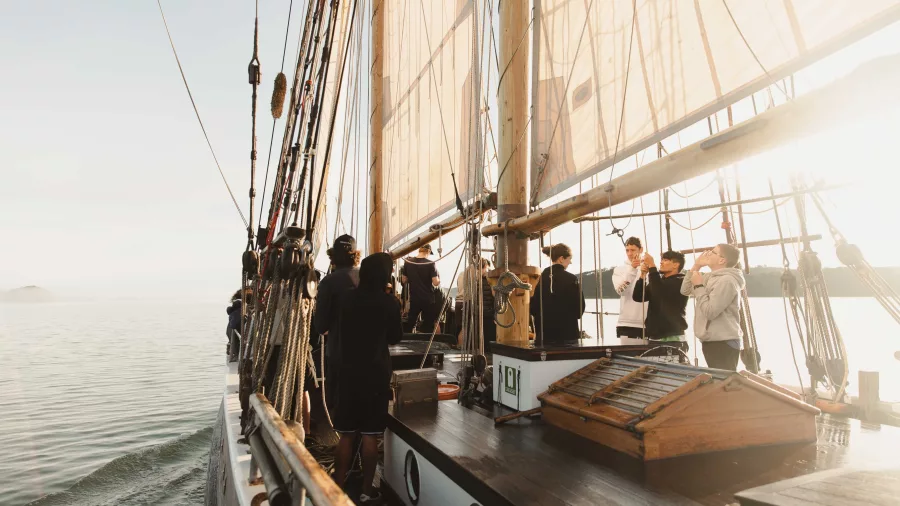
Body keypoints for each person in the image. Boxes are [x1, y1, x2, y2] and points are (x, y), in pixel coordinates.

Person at [332, 252, 403, 503]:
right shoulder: (389, 303)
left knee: (347, 434)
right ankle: (365, 490)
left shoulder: (347, 299)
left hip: (349, 373)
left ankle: (336, 488)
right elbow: (395, 338)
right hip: (375, 376)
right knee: (370, 435)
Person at [313, 234, 361, 411]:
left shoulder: (328, 282)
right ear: (355, 255)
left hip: (340, 355)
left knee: (342, 408)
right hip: (368, 356)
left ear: (333, 256)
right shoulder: (368, 278)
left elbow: (321, 326)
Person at [680, 244, 745, 371]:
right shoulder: (710, 277)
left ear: (722, 260)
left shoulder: (727, 281)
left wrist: (699, 287)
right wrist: (697, 266)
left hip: (723, 341)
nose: (708, 253)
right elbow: (685, 290)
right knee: (718, 382)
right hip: (711, 340)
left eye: (713, 252)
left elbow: (710, 312)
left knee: (724, 385)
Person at [530, 244, 586, 344]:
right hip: (567, 337)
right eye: (569, 259)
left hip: (544, 337)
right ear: (561, 259)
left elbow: (533, 307)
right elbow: (579, 309)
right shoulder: (571, 279)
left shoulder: (542, 278)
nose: (571, 262)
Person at [632, 251, 689, 347]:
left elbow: (659, 293)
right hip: (654, 337)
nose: (661, 262)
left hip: (673, 337)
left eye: (665, 260)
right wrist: (642, 276)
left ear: (676, 265)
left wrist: (651, 265)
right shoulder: (659, 282)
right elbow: (638, 297)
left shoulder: (681, 281)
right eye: (661, 260)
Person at [612, 237, 649, 339]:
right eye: (627, 250)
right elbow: (620, 291)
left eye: (632, 250)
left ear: (641, 250)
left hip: (648, 324)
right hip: (626, 323)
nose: (629, 253)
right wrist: (632, 269)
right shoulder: (619, 270)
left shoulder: (649, 268)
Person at [400, 244, 441, 333]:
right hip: (427, 299)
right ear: (428, 251)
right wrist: (438, 277)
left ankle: (409, 342)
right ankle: (425, 344)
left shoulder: (408, 262)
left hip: (414, 298)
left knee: (411, 323)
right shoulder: (431, 263)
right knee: (428, 324)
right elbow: (435, 282)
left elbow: (404, 280)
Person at [456, 258, 496, 347]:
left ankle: (460, 346)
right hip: (471, 304)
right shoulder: (479, 277)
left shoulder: (463, 273)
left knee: (464, 328)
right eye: (486, 268)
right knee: (467, 328)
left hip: (461, 302)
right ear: (484, 266)